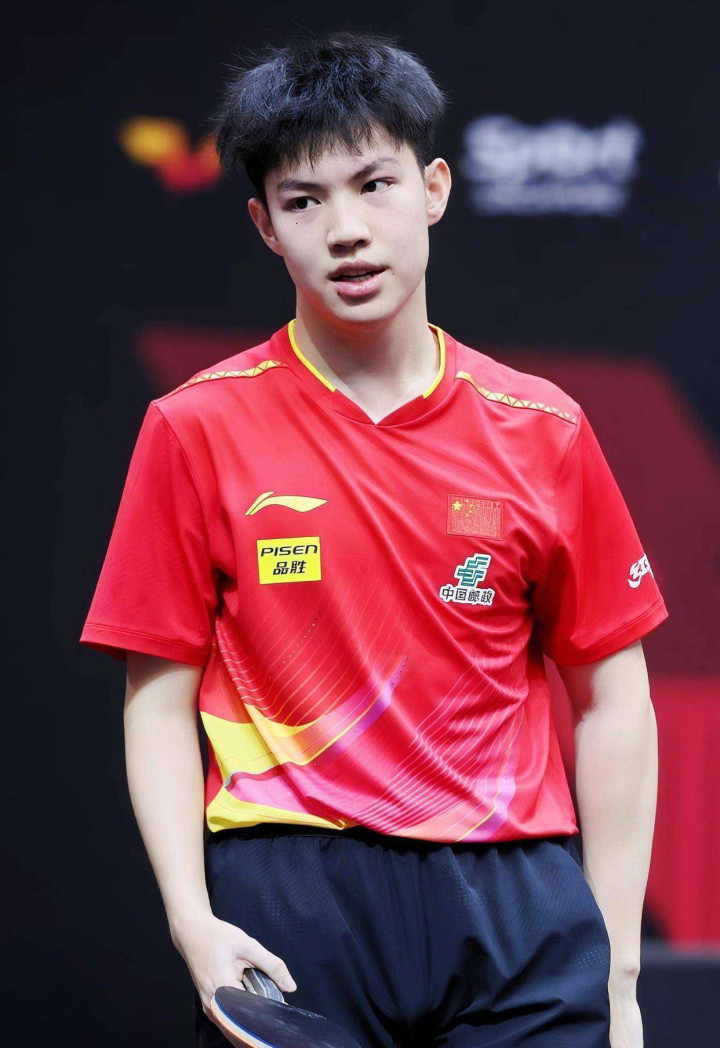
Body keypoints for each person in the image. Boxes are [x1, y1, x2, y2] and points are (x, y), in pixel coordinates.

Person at [79, 28, 668, 1048]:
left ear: (433, 189)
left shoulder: (544, 427)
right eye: (305, 201)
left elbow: (615, 699)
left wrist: (615, 970)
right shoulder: (195, 426)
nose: (346, 231)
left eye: (374, 185)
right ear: (266, 226)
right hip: (294, 893)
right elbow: (157, 701)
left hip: (515, 897)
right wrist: (191, 920)